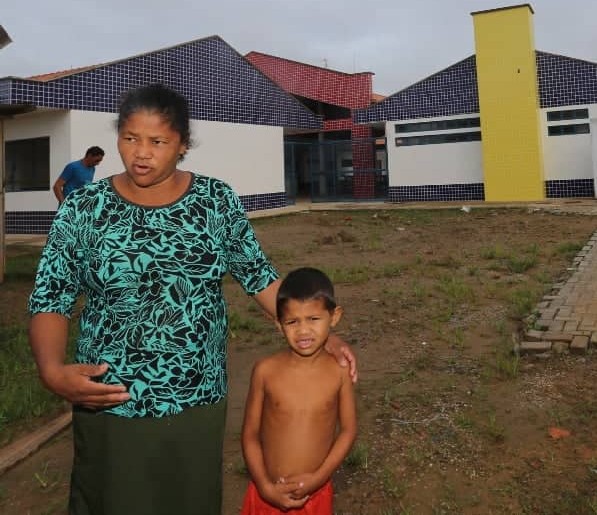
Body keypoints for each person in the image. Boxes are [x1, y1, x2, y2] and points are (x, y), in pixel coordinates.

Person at [28, 83, 357, 515]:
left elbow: (259, 278)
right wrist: (52, 370)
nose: (141, 153)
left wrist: (318, 330)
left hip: (196, 395)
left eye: (157, 142)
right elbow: (51, 296)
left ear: (182, 144)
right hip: (111, 398)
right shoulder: (83, 208)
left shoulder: (215, 201)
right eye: (130, 138)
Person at [241, 267, 357, 514]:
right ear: (279, 324)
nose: (303, 330)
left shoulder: (339, 372)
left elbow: (348, 431)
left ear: (334, 317)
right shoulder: (265, 371)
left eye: (313, 319)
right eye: (292, 321)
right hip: (266, 496)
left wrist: (319, 478)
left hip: (315, 496)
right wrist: (264, 486)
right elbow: (250, 434)